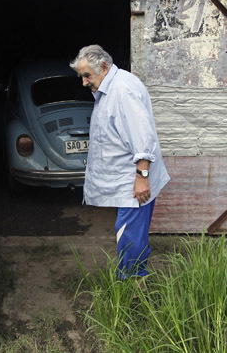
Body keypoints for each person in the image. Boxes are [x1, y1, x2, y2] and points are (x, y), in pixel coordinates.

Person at [70, 45, 170, 279]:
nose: (84, 82)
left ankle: (132, 285)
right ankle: (136, 279)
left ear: (103, 67)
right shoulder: (111, 87)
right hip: (129, 179)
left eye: (87, 75)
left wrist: (142, 178)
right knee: (132, 233)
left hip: (133, 181)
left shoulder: (122, 90)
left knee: (129, 235)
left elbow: (142, 137)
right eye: (81, 77)